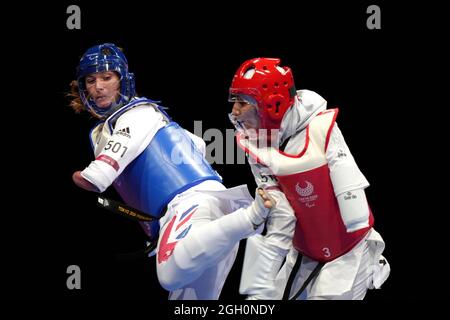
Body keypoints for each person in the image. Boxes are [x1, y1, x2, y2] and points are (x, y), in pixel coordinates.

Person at [68, 43, 275, 300]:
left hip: (190, 206)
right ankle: (240, 220)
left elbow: (96, 177)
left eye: (106, 77)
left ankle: (250, 218)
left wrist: (77, 177)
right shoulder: (141, 119)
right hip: (202, 215)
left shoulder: (136, 114)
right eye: (91, 80)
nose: (98, 86)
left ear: (123, 81)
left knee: (169, 275)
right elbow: (197, 146)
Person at [228, 57, 390, 300]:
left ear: (273, 104)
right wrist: (259, 284)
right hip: (303, 251)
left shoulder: (320, 129)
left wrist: (354, 211)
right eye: (234, 102)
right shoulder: (255, 145)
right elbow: (280, 216)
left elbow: (349, 186)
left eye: (242, 102)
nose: (235, 111)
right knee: (259, 299)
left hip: (349, 251)